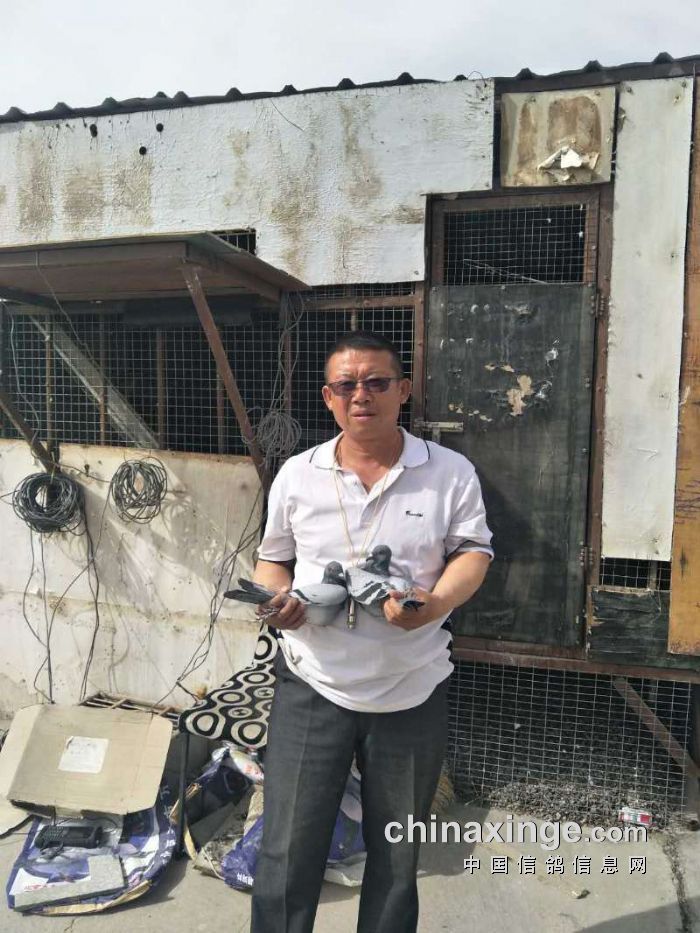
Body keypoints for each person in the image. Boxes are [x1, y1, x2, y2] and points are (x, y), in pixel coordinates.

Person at [250, 331, 493, 933]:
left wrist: (435, 603)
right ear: (328, 397)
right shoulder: (298, 474)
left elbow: (473, 551)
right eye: (347, 385)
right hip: (313, 685)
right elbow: (272, 559)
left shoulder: (448, 472)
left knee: (397, 856)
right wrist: (277, 601)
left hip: (410, 689)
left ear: (402, 390)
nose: (362, 395)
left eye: (377, 382)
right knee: (286, 850)